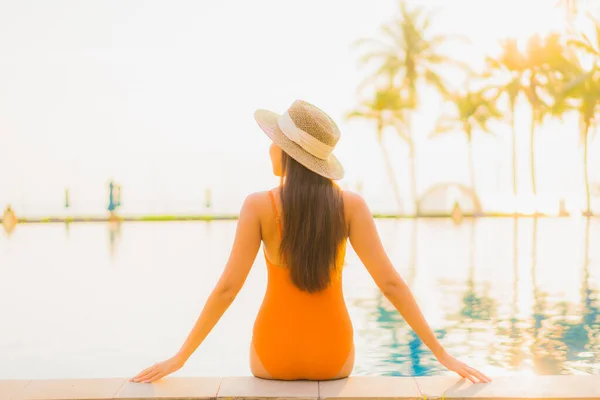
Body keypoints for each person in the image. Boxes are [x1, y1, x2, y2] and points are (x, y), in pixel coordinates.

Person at [131, 100, 491, 384]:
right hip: (333, 360)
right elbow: (391, 284)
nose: (270, 149)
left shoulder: (258, 206)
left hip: (271, 359)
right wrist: (442, 356)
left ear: (287, 151)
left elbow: (227, 288)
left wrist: (180, 357)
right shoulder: (351, 205)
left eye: (274, 142)